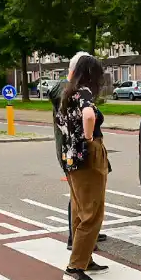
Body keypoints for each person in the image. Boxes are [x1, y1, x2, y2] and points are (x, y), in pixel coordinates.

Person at [56, 54, 111, 280]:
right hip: (87, 156)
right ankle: (75, 267)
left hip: (71, 157)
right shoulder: (85, 94)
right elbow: (88, 115)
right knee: (92, 212)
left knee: (80, 209)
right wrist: (89, 138)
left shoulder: (67, 94)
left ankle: (85, 259)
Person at [50, 52, 105, 250]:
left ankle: (84, 235)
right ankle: (78, 238)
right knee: (82, 197)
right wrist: (89, 139)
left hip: (69, 148)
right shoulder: (71, 90)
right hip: (76, 149)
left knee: (80, 196)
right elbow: (87, 116)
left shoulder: (69, 90)